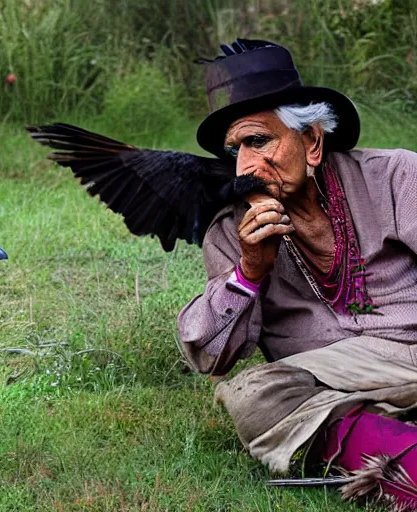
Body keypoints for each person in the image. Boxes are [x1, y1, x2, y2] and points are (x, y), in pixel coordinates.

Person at [177, 39, 417, 509]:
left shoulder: (395, 177)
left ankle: (383, 452)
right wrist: (249, 272)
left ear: (311, 141)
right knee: (253, 396)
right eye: (235, 150)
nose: (245, 166)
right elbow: (207, 356)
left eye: (259, 140)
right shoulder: (231, 231)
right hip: (331, 381)